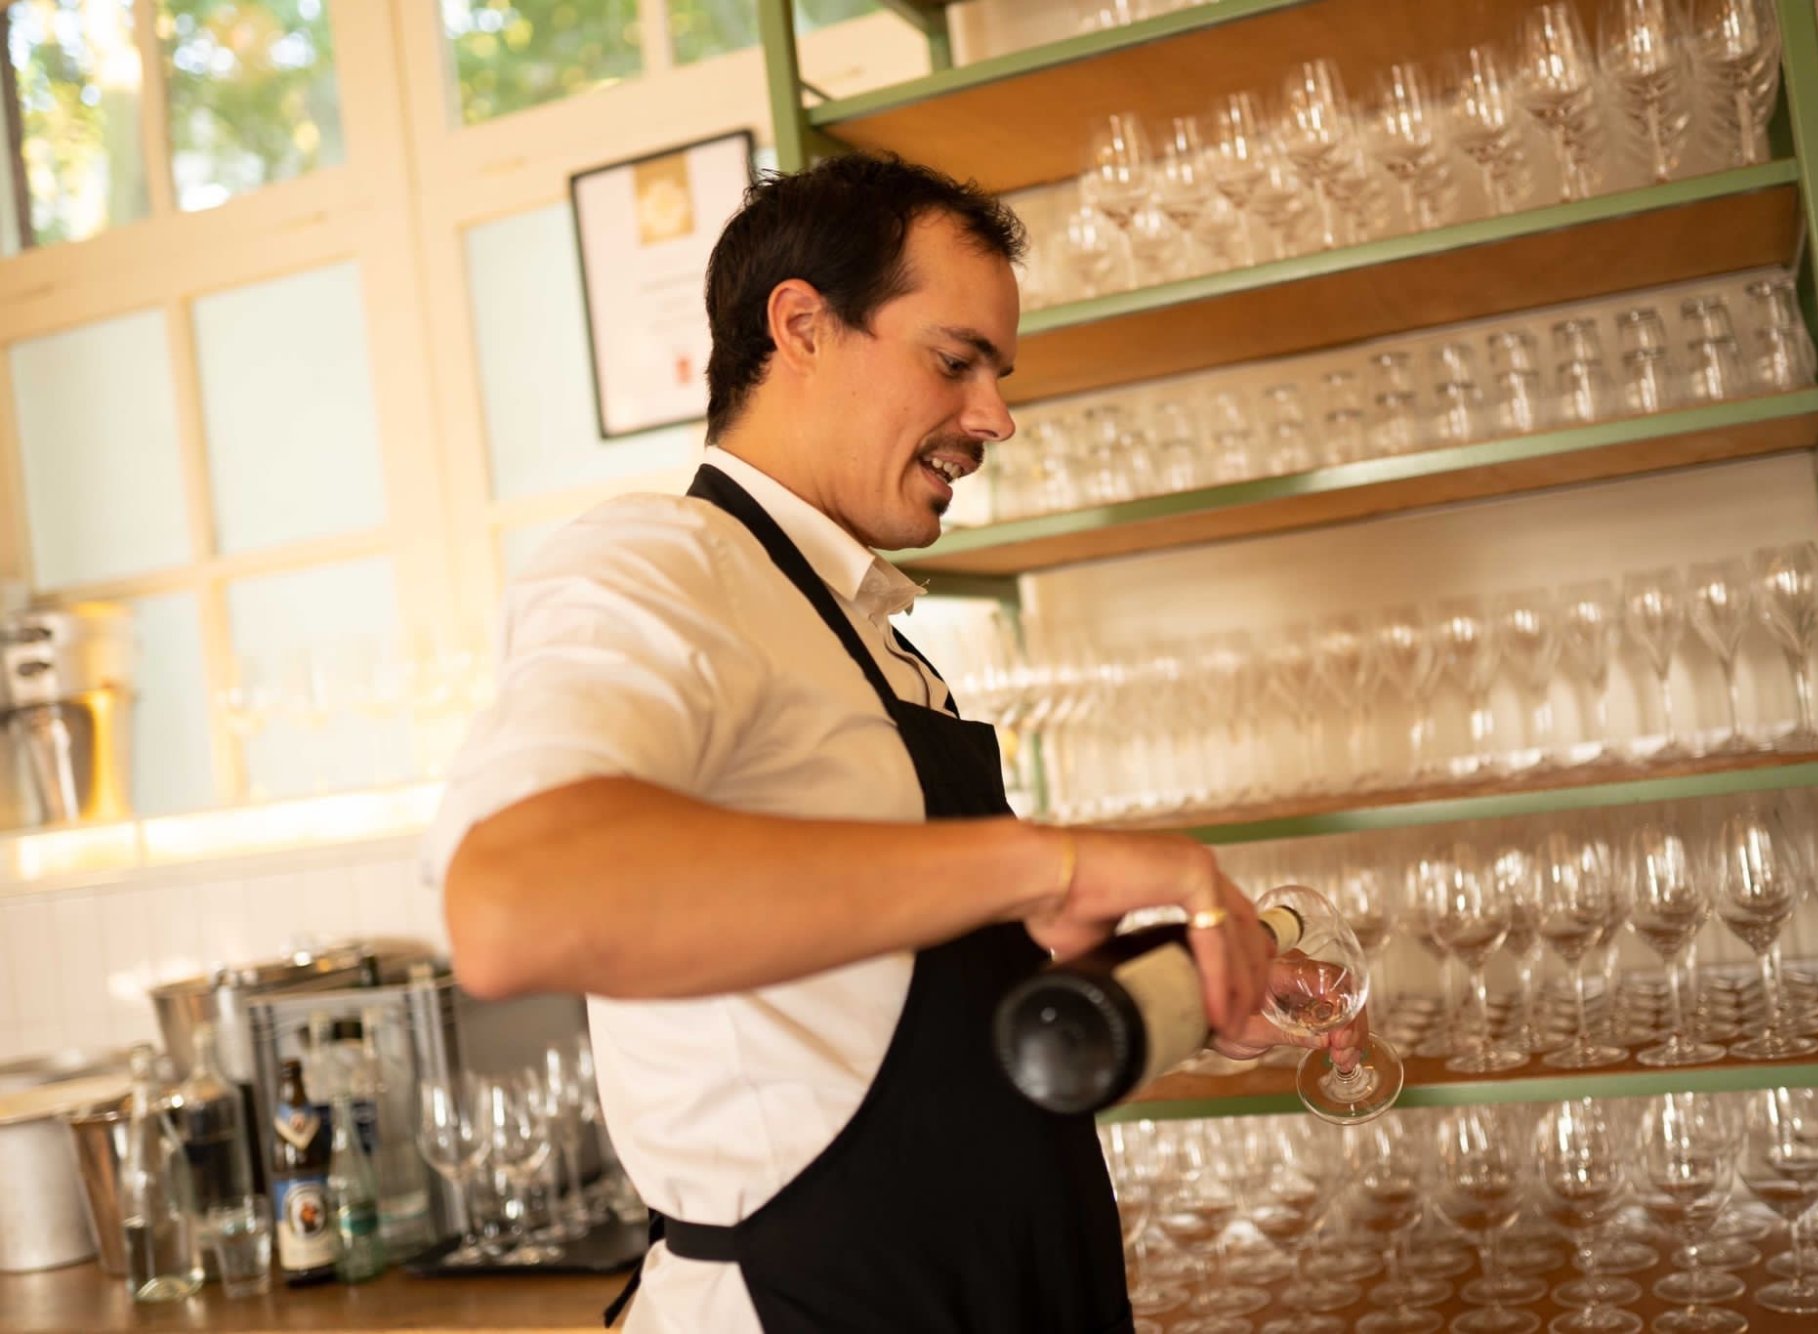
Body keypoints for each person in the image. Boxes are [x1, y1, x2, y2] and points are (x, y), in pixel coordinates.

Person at [425, 153, 1321, 1334]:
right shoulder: (658, 565)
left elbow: (867, 1001)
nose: (994, 418)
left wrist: (1147, 981)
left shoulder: (868, 633)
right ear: (799, 325)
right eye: (954, 362)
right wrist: (1053, 859)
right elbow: (514, 902)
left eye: (997, 374)